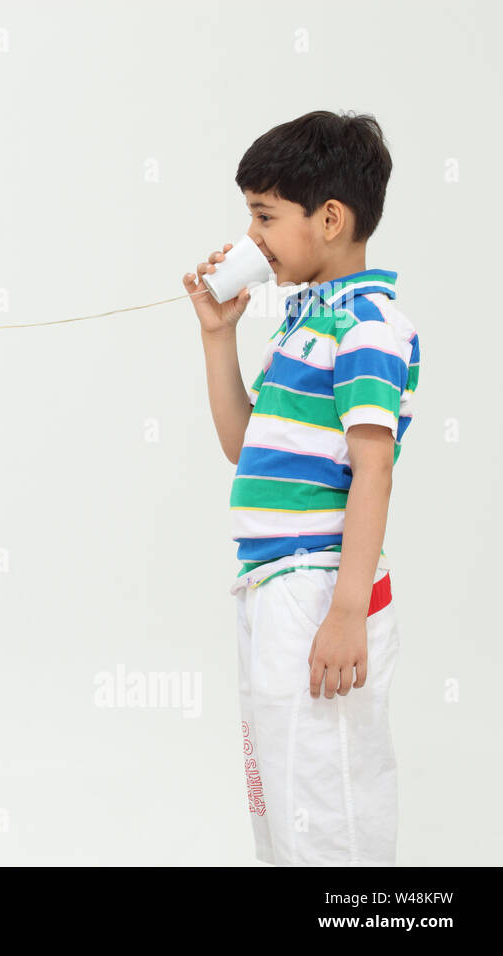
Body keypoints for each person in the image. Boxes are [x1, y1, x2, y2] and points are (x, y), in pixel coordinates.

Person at [182, 111, 419, 865]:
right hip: (273, 588)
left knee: (328, 793)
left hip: (320, 588)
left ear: (329, 218)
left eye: (264, 217)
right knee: (284, 795)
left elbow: (372, 470)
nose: (251, 238)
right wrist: (220, 337)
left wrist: (347, 610)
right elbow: (241, 444)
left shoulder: (368, 328)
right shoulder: (303, 324)